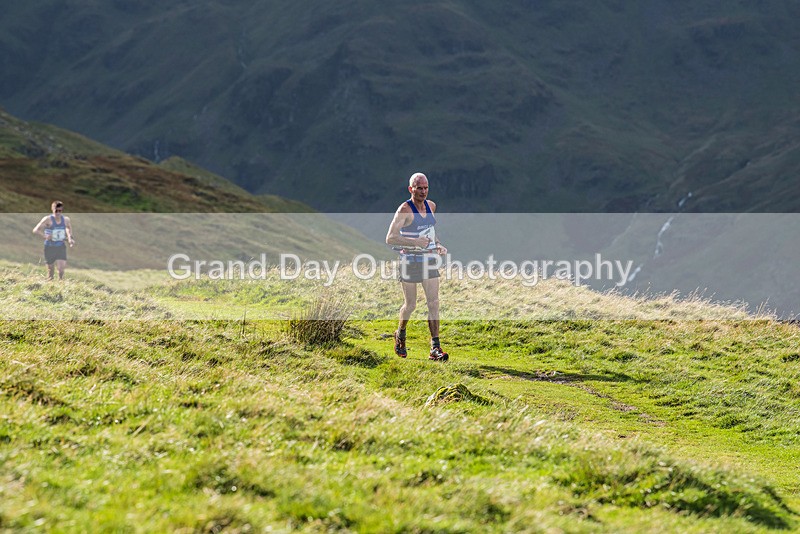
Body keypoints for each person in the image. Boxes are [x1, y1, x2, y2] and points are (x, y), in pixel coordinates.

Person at [385, 172, 449, 361]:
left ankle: (435, 348)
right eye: (419, 188)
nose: (423, 192)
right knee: (411, 305)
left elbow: (431, 232)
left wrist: (437, 244)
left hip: (428, 260)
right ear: (410, 189)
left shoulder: (431, 206)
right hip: (409, 262)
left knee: (434, 302)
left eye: (426, 188)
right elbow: (390, 238)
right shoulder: (404, 210)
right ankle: (400, 334)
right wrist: (415, 243)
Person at [32, 200, 75, 280]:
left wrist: (70, 237)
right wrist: (45, 236)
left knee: (61, 270)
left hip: (60, 246)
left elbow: (68, 228)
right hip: (49, 247)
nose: (58, 213)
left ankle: (61, 286)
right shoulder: (48, 219)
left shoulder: (66, 220)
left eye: (60, 211)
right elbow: (36, 230)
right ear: (52, 209)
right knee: (50, 272)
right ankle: (50, 285)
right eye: (56, 211)